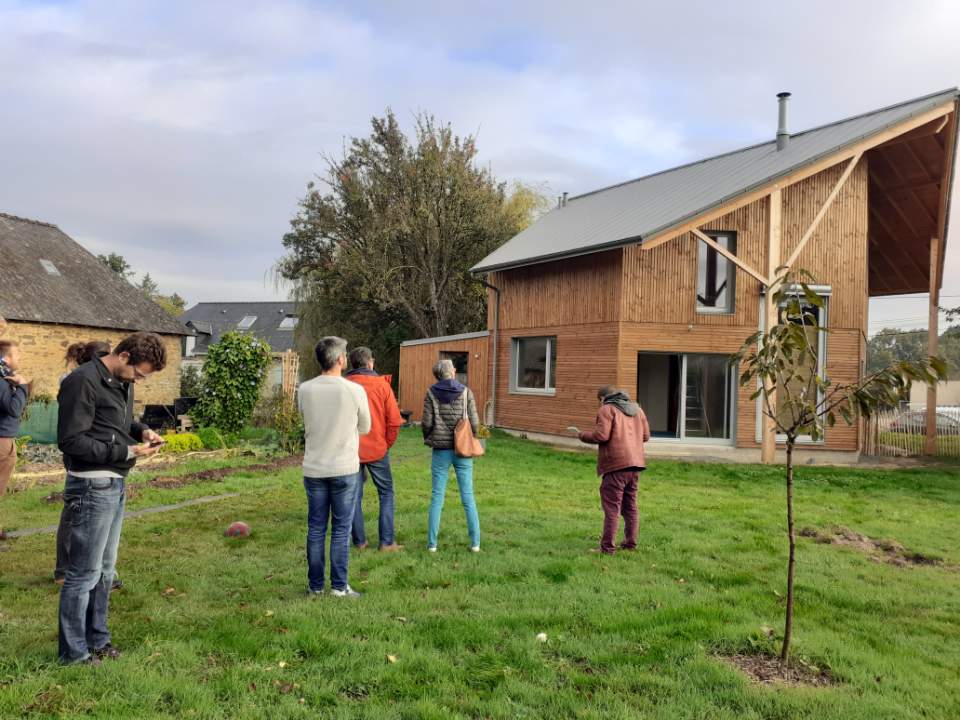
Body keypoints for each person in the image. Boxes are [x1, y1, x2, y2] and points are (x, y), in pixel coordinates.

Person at [57, 332, 167, 664]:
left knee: (106, 570)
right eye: (139, 373)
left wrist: (141, 430)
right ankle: (74, 653)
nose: (139, 380)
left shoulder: (121, 382)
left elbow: (116, 421)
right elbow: (71, 441)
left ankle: (98, 641)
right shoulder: (81, 381)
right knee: (83, 573)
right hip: (91, 485)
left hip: (116, 481)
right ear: (122, 357)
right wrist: (127, 450)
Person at [298, 337, 371, 597]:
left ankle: (315, 587)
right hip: (344, 467)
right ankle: (339, 587)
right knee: (341, 528)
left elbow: (304, 419)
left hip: (314, 467)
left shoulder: (304, 389)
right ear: (340, 359)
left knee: (316, 527)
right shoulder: (354, 390)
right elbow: (365, 427)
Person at [54, 341, 114, 585]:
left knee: (81, 514)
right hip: (80, 455)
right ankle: (63, 570)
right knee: (73, 512)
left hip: (94, 455)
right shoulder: (76, 380)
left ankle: (89, 569)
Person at [573, 385, 650, 555]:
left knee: (612, 508)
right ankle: (630, 544)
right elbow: (645, 436)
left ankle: (607, 548)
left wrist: (581, 435)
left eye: (598, 401)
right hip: (635, 465)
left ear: (602, 398)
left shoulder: (607, 409)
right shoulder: (637, 409)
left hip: (615, 465)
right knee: (630, 506)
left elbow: (602, 435)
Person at [345, 347, 404, 552]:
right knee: (386, 493)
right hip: (377, 449)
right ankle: (386, 542)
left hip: (350, 450)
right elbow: (394, 422)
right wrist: (385, 444)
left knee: (353, 496)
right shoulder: (382, 385)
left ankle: (359, 542)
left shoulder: (343, 386)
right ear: (370, 363)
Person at [421, 358, 481, 553]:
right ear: (452, 372)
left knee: (437, 496)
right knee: (468, 496)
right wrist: (476, 437)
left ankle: (432, 545)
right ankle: (475, 544)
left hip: (440, 451)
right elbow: (475, 424)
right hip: (463, 450)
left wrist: (429, 438)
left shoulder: (430, 393)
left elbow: (426, 423)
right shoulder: (466, 392)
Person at [0, 339, 31, 542]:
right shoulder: (2, 381)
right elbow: (13, 409)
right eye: (17, 355)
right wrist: (22, 386)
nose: (19, 359)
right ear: (7, 358)